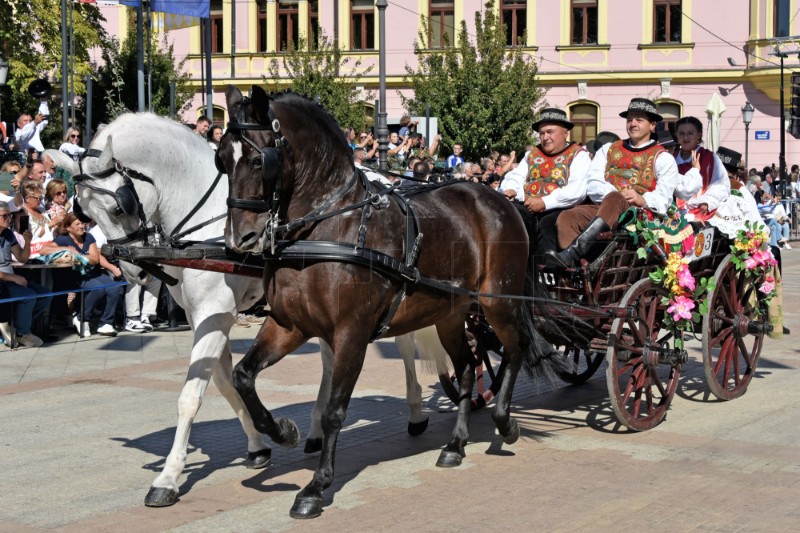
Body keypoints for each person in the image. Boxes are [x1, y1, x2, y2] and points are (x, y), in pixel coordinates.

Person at [550, 98, 684, 267]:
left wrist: (642, 199)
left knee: (615, 198)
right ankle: (579, 267)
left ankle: (572, 255)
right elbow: (594, 181)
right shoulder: (608, 149)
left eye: (639, 120)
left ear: (652, 125)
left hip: (638, 213)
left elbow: (663, 198)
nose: (633, 123)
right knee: (567, 217)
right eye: (629, 120)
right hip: (605, 208)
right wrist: (616, 196)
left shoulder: (663, 157)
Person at [499, 107, 591, 262]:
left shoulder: (578, 155)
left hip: (562, 208)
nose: (545, 137)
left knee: (547, 224)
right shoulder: (531, 154)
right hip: (528, 205)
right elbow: (516, 175)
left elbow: (577, 191)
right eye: (541, 133)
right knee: (509, 217)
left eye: (550, 132)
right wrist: (512, 189)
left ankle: (548, 270)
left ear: (565, 133)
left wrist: (544, 203)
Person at [54, 214, 124, 337]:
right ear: (68, 227)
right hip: (75, 275)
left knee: (114, 287)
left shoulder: (89, 237)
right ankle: (81, 318)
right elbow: (44, 250)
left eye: (83, 223)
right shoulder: (62, 239)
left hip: (92, 272)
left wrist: (79, 256)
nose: (82, 226)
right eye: (78, 224)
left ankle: (106, 323)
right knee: (98, 288)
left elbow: (95, 258)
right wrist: (66, 249)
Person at [0, 201, 50, 347]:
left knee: (45, 294)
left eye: (9, 215)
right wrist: (13, 277)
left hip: (10, 278)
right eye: (4, 216)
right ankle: (23, 332)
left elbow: (22, 258)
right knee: (28, 296)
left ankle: (18, 326)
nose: (8, 219)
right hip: (3, 280)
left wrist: (27, 241)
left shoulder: (8, 234)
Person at [672, 116, 730, 221]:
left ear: (699, 135)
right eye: (681, 134)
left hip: (701, 210)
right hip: (673, 212)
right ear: (676, 135)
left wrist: (707, 201)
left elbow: (721, 185)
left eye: (690, 133)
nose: (685, 138)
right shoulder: (671, 158)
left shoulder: (709, 158)